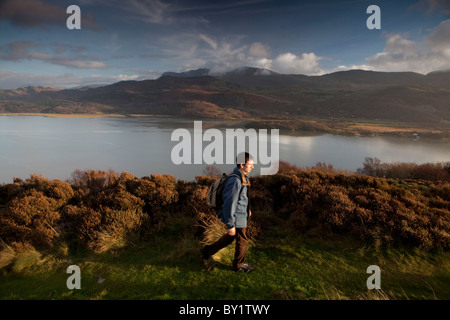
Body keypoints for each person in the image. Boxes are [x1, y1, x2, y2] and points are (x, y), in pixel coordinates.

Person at [201, 152, 254, 272]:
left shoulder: (242, 176)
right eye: (250, 164)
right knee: (242, 240)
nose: (252, 167)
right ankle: (238, 265)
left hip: (241, 214)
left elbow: (242, 197)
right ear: (242, 164)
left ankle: (206, 251)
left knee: (231, 238)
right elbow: (229, 203)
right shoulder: (235, 180)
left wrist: (247, 209)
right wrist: (230, 224)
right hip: (237, 217)